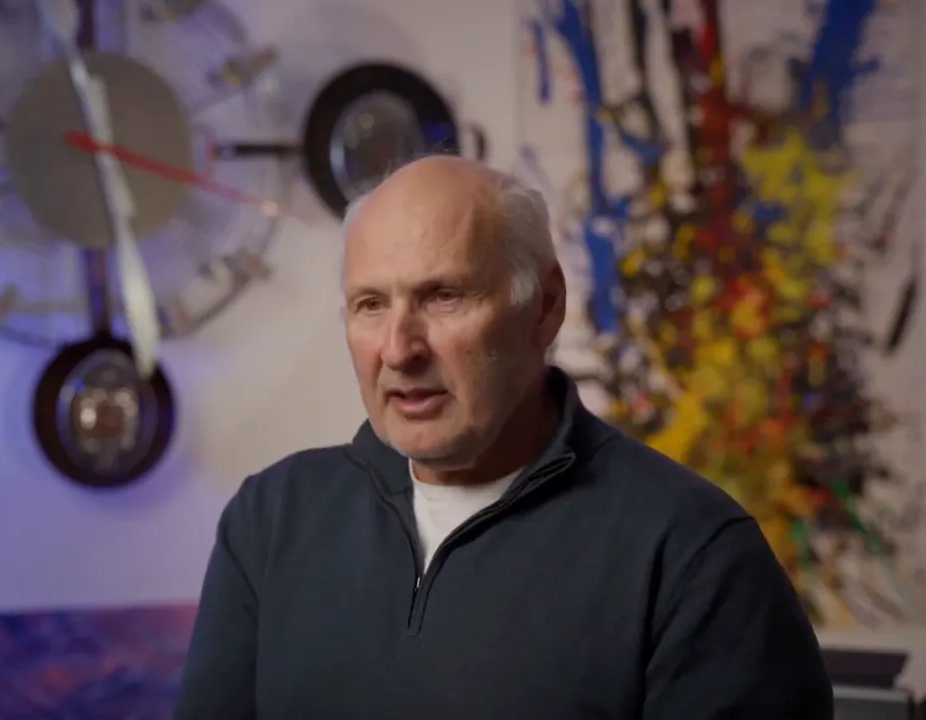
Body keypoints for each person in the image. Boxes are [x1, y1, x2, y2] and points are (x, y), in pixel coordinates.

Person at [175, 155, 833, 718]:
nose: (399, 349)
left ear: (544, 305)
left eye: (443, 297)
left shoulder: (693, 556)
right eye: (371, 305)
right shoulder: (271, 521)